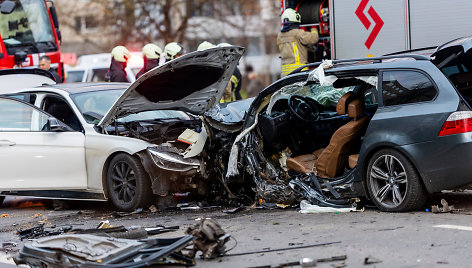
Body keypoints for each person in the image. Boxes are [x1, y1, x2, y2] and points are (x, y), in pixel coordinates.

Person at [277, 8, 319, 77]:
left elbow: (296, 47)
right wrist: (314, 28)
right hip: (299, 72)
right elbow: (314, 38)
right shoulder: (297, 33)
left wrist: (310, 49)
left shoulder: (280, 36)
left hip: (285, 75)